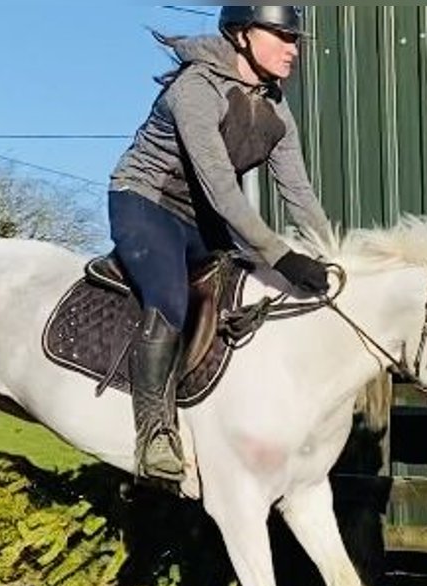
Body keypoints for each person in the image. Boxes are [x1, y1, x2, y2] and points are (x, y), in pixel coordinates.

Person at [108, 4, 332, 483]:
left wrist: (329, 253)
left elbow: (299, 192)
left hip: (203, 220)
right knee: (169, 298)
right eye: (283, 37)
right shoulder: (194, 90)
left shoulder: (275, 108)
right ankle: (154, 436)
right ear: (241, 35)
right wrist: (282, 255)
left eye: (296, 40)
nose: (294, 49)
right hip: (146, 204)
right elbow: (222, 190)